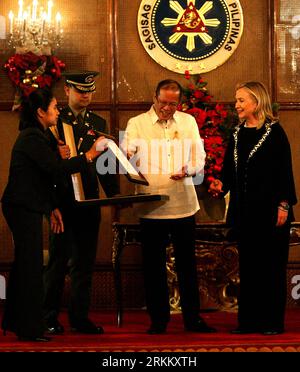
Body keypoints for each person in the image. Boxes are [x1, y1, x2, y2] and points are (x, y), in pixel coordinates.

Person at [1, 88, 104, 341]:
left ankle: (16, 322)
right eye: (55, 107)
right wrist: (90, 155)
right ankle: (29, 329)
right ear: (40, 112)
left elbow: (44, 177)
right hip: (22, 207)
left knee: (26, 265)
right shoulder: (31, 137)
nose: (58, 112)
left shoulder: (40, 135)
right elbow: (56, 169)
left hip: (31, 205)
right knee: (31, 266)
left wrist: (51, 207)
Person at [122, 79, 216, 334]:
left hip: (183, 203)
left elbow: (200, 157)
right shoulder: (137, 123)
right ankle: (159, 320)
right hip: (151, 206)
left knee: (187, 266)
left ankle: (192, 319)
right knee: (153, 268)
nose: (166, 108)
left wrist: (189, 170)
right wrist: (126, 157)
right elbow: (125, 156)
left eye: (172, 104)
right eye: (163, 103)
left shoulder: (188, 122)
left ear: (179, 103)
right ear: (154, 98)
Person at [209, 81, 297, 335]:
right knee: (248, 269)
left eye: (241, 100)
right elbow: (228, 171)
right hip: (245, 213)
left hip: (271, 213)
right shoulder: (237, 134)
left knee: (270, 267)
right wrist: (220, 185)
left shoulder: (275, 132)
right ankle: (247, 322)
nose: (236, 105)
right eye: (236, 100)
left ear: (256, 103)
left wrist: (283, 205)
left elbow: (284, 172)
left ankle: (271, 323)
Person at [43, 71, 119, 334]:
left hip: (88, 201)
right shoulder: (55, 121)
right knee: (58, 262)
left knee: (84, 264)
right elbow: (48, 166)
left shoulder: (98, 122)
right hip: (63, 202)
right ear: (67, 91)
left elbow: (104, 163)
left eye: (89, 91)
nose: (85, 95)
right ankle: (49, 317)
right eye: (79, 90)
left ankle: (79, 318)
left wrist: (114, 195)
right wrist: (50, 205)